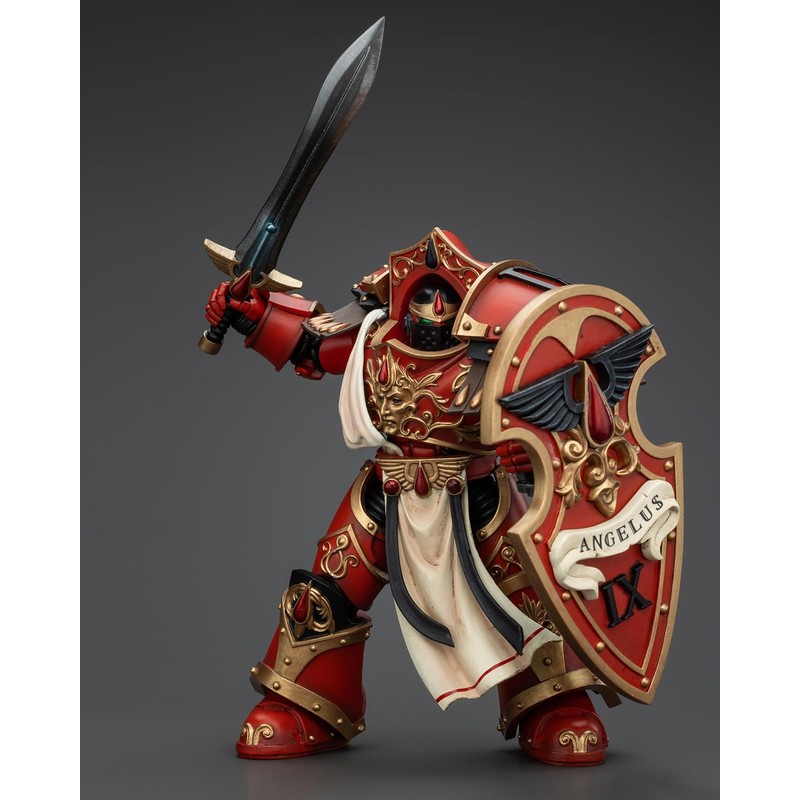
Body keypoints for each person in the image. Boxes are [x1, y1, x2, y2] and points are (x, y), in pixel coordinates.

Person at [204, 227, 618, 766]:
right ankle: (307, 704)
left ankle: (554, 702)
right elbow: (312, 346)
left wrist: (531, 448)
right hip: (386, 489)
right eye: (423, 296)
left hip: (478, 492)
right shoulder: (374, 337)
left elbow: (571, 395)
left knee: (531, 595)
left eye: (446, 297)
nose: (435, 309)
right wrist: (253, 315)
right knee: (325, 592)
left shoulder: (502, 346)